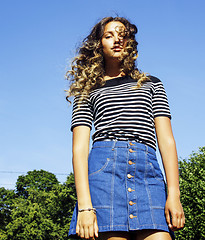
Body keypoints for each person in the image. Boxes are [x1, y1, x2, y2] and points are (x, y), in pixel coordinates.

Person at [66, 16, 185, 240]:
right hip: (103, 175)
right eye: (109, 36)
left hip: (148, 174)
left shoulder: (152, 83)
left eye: (123, 35)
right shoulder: (87, 90)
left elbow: (167, 141)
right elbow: (79, 150)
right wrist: (84, 207)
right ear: (98, 44)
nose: (117, 40)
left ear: (131, 43)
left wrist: (174, 194)